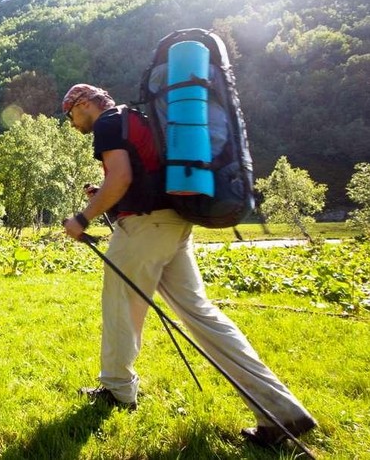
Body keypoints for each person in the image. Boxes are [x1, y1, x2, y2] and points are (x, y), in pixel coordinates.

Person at [60, 83, 316, 445]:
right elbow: (138, 174)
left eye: (70, 114)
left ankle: (118, 390)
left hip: (144, 228)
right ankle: (282, 411)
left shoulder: (107, 123)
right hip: (176, 224)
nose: (71, 123)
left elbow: (121, 177)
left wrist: (83, 218)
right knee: (202, 315)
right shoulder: (139, 117)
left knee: (120, 310)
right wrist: (104, 194)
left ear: (84, 104)